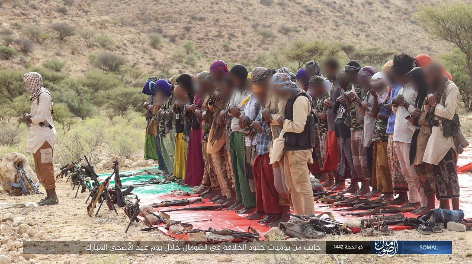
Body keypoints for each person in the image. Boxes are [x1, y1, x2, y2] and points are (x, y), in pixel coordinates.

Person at [270, 73, 315, 216]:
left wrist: (283, 122)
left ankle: (308, 219)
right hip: (290, 147)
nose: (277, 94)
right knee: (292, 187)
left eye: (277, 91)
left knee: (302, 186)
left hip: (299, 150)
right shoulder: (290, 98)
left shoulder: (300, 99)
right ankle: (299, 218)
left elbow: (298, 126)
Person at [423, 63, 462, 210]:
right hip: (436, 135)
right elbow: (426, 112)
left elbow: (450, 114)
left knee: (450, 173)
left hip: (447, 136)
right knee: (439, 174)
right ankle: (445, 211)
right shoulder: (434, 89)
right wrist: (429, 101)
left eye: (429, 77)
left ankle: (456, 212)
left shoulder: (451, 88)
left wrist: (435, 104)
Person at [391, 53, 426, 209]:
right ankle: (413, 201)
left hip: (410, 135)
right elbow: (396, 112)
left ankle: (423, 203)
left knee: (414, 173)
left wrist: (404, 104)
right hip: (399, 134)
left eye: (398, 75)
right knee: (406, 172)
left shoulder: (415, 89)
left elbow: (419, 113)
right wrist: (394, 103)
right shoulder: (401, 89)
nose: (397, 79)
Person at [23, 72, 58, 206]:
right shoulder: (36, 95)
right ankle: (48, 196)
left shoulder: (43, 95)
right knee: (39, 166)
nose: (27, 85)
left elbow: (41, 117)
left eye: (29, 82)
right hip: (38, 136)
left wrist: (30, 119)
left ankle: (53, 197)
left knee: (46, 165)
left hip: (44, 137)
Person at [263, 69, 291, 222]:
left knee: (287, 182)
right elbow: (267, 113)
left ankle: (287, 214)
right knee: (278, 182)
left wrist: (271, 116)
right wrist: (267, 114)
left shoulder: (291, 97)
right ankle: (283, 212)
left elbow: (282, 120)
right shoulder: (272, 94)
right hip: (274, 143)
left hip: (287, 144)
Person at [407, 67, 436, 214]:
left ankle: (431, 205)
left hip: (427, 136)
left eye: (413, 80)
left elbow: (430, 119)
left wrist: (417, 118)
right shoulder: (419, 94)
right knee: (419, 170)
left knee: (427, 171)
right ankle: (427, 204)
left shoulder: (429, 94)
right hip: (418, 135)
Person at [227, 65, 256, 212]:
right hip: (233, 130)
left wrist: (236, 112)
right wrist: (233, 111)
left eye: (234, 79)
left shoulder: (250, 91)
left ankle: (249, 202)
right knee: (236, 167)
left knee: (244, 168)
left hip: (243, 132)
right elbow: (230, 107)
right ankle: (240, 199)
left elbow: (247, 113)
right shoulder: (236, 91)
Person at [348, 66, 377, 196]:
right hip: (362, 127)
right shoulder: (366, 91)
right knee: (358, 160)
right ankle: (366, 187)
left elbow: (372, 111)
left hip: (370, 130)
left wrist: (358, 100)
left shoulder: (375, 91)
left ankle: (372, 188)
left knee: (366, 160)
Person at [383, 60, 409, 205]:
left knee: (400, 165)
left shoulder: (400, 87)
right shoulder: (393, 87)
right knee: (394, 164)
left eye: (388, 74)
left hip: (398, 129)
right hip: (392, 128)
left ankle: (404, 196)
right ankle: (399, 194)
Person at [344, 61, 371, 195]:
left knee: (362, 159)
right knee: (356, 160)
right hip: (354, 126)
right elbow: (350, 110)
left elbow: (366, 105)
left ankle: (366, 187)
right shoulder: (352, 86)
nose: (348, 75)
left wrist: (355, 99)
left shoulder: (364, 87)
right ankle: (362, 186)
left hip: (361, 127)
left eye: (350, 73)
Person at [368, 72, 393, 201]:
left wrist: (380, 116)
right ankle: (381, 190)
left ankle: (388, 192)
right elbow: (375, 114)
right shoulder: (379, 96)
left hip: (385, 134)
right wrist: (375, 98)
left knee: (384, 164)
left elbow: (389, 114)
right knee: (378, 164)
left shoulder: (389, 95)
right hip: (378, 134)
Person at [331, 71, 357, 191]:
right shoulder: (341, 91)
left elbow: (353, 110)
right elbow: (334, 109)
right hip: (339, 127)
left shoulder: (352, 91)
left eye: (342, 81)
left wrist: (346, 99)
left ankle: (354, 183)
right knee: (342, 157)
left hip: (347, 128)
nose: (340, 84)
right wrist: (336, 101)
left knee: (350, 157)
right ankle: (342, 182)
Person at [309, 76, 333, 186]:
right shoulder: (318, 98)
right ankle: (327, 177)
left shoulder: (327, 97)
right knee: (321, 156)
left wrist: (314, 112)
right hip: (320, 131)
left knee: (328, 156)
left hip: (327, 131)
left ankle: (331, 179)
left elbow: (322, 116)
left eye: (314, 88)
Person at [322, 58, 340, 188]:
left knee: (335, 156)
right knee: (329, 155)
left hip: (335, 125)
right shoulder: (334, 84)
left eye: (327, 69)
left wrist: (331, 103)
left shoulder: (340, 84)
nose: (325, 72)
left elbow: (341, 104)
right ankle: (333, 180)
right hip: (330, 125)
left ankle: (340, 182)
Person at [184, 74, 205, 186]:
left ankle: (201, 182)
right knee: (195, 156)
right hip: (195, 127)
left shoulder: (206, 96)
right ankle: (194, 181)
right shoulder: (196, 96)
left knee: (201, 158)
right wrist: (189, 108)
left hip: (202, 129)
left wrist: (198, 112)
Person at [173, 74, 193, 181]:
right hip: (184, 132)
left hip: (191, 132)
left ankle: (189, 179)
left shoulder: (192, 99)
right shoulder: (183, 103)